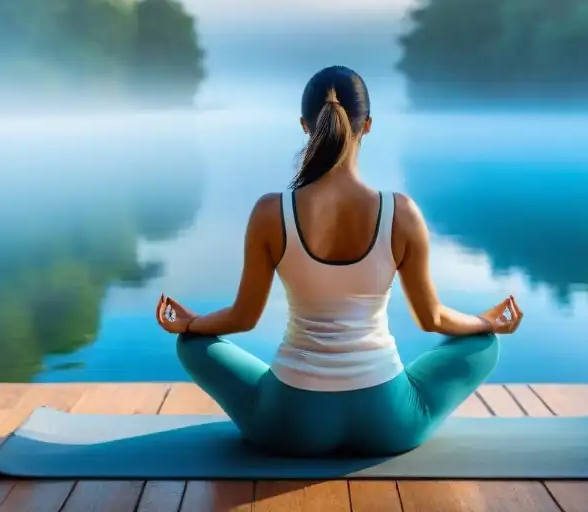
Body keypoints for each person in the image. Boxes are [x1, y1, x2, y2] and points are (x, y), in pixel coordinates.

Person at [156, 65, 524, 457]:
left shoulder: (269, 213)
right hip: (387, 423)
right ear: (367, 125)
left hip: (289, 424)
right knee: (483, 345)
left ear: (305, 126)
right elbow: (432, 319)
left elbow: (244, 318)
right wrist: (488, 323)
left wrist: (192, 324)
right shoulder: (400, 213)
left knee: (192, 346)